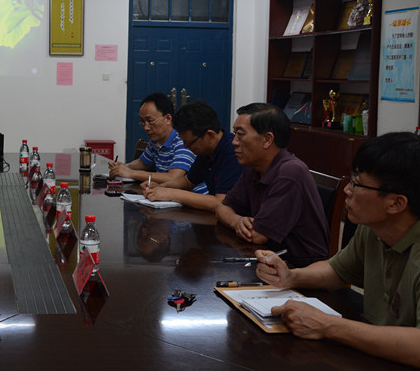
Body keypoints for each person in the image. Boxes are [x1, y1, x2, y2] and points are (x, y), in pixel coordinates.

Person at [255, 132, 420, 367]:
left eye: (357, 184)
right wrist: (292, 276)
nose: (347, 190)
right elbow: (337, 271)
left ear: (396, 203)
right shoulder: (374, 228)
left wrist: (326, 325)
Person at [216, 103, 328, 266]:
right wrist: (237, 221)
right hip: (268, 257)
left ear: (267, 140)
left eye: (240, 135)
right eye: (235, 134)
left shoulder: (290, 172)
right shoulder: (254, 168)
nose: (234, 142)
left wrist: (239, 223)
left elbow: (257, 235)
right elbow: (222, 208)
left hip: (300, 267)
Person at [142, 100, 243, 211]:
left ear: (210, 135)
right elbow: (188, 182)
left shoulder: (233, 152)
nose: (185, 147)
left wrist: (171, 193)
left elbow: (221, 202)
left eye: (189, 143)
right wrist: (161, 187)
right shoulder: (206, 150)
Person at [108, 93, 207, 193]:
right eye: (143, 122)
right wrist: (124, 166)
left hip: (193, 197)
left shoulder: (182, 141)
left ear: (168, 119)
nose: (146, 127)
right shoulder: (155, 141)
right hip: (168, 194)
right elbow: (143, 163)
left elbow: (173, 177)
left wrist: (131, 173)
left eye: (150, 121)